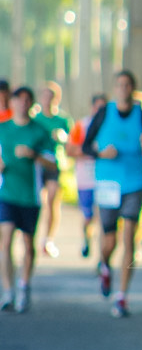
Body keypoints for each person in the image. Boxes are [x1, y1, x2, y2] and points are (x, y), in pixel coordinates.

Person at [81, 71, 142, 318]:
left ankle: (122, 296)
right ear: (115, 89)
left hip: (134, 183)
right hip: (107, 183)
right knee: (109, 241)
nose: (123, 89)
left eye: (128, 85)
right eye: (119, 85)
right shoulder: (104, 113)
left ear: (133, 89)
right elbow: (86, 146)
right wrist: (101, 153)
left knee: (129, 238)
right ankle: (104, 266)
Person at [0, 87, 57, 314]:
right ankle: (7, 291)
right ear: (12, 103)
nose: (22, 104)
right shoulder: (2, 129)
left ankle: (24, 285)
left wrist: (34, 156)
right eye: (18, 100)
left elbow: (53, 164)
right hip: (6, 193)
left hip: (30, 196)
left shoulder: (39, 132)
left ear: (31, 104)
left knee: (27, 244)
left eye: (27, 100)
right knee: (5, 241)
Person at [33, 81, 73, 258]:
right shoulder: (35, 119)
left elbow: (72, 142)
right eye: (45, 96)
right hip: (37, 162)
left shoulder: (63, 120)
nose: (48, 100)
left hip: (54, 163)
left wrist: (62, 138)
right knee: (37, 202)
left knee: (52, 199)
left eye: (51, 97)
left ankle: (48, 239)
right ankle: (30, 236)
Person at [65, 93, 108, 258]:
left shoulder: (109, 126)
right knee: (88, 217)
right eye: (97, 107)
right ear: (92, 107)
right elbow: (70, 150)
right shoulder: (82, 125)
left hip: (104, 179)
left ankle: (102, 258)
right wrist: (91, 152)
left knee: (103, 219)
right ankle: (86, 239)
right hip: (85, 178)